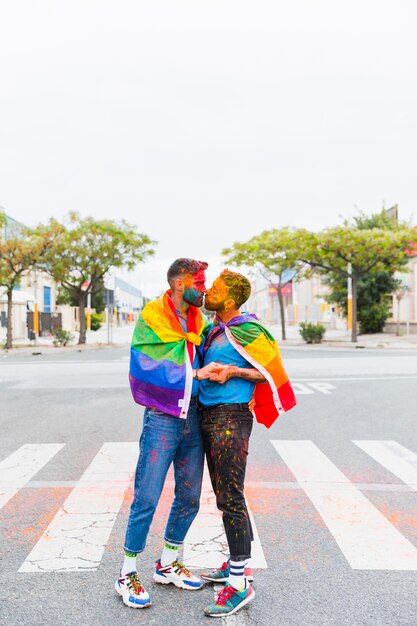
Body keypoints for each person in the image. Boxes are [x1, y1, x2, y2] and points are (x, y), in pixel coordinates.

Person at [115, 258, 217, 609]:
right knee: (147, 496)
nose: (204, 287)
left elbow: (202, 354)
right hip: (162, 418)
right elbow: (144, 365)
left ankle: (168, 562)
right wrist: (197, 375)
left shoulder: (197, 319)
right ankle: (127, 573)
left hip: (193, 418)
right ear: (178, 284)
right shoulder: (152, 316)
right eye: (199, 282)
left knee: (189, 496)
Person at [197, 269, 297, 618]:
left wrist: (235, 371)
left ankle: (239, 584)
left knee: (231, 496)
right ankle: (236, 566)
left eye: (217, 288)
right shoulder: (211, 330)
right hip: (208, 414)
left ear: (231, 298)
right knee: (226, 494)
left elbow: (272, 372)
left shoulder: (248, 329)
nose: (209, 290)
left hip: (231, 418)